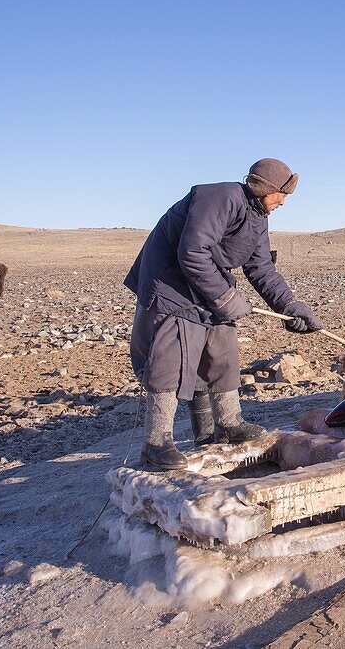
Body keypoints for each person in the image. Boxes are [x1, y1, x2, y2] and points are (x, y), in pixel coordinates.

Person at [124, 158, 323, 469]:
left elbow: (261, 269)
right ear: (265, 188)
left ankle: (228, 424)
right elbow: (191, 252)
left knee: (222, 349)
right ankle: (156, 441)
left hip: (205, 280)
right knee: (170, 358)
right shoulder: (222, 197)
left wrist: (289, 305)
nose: (284, 201)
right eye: (282, 193)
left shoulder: (258, 217)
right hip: (170, 281)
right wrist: (225, 296)